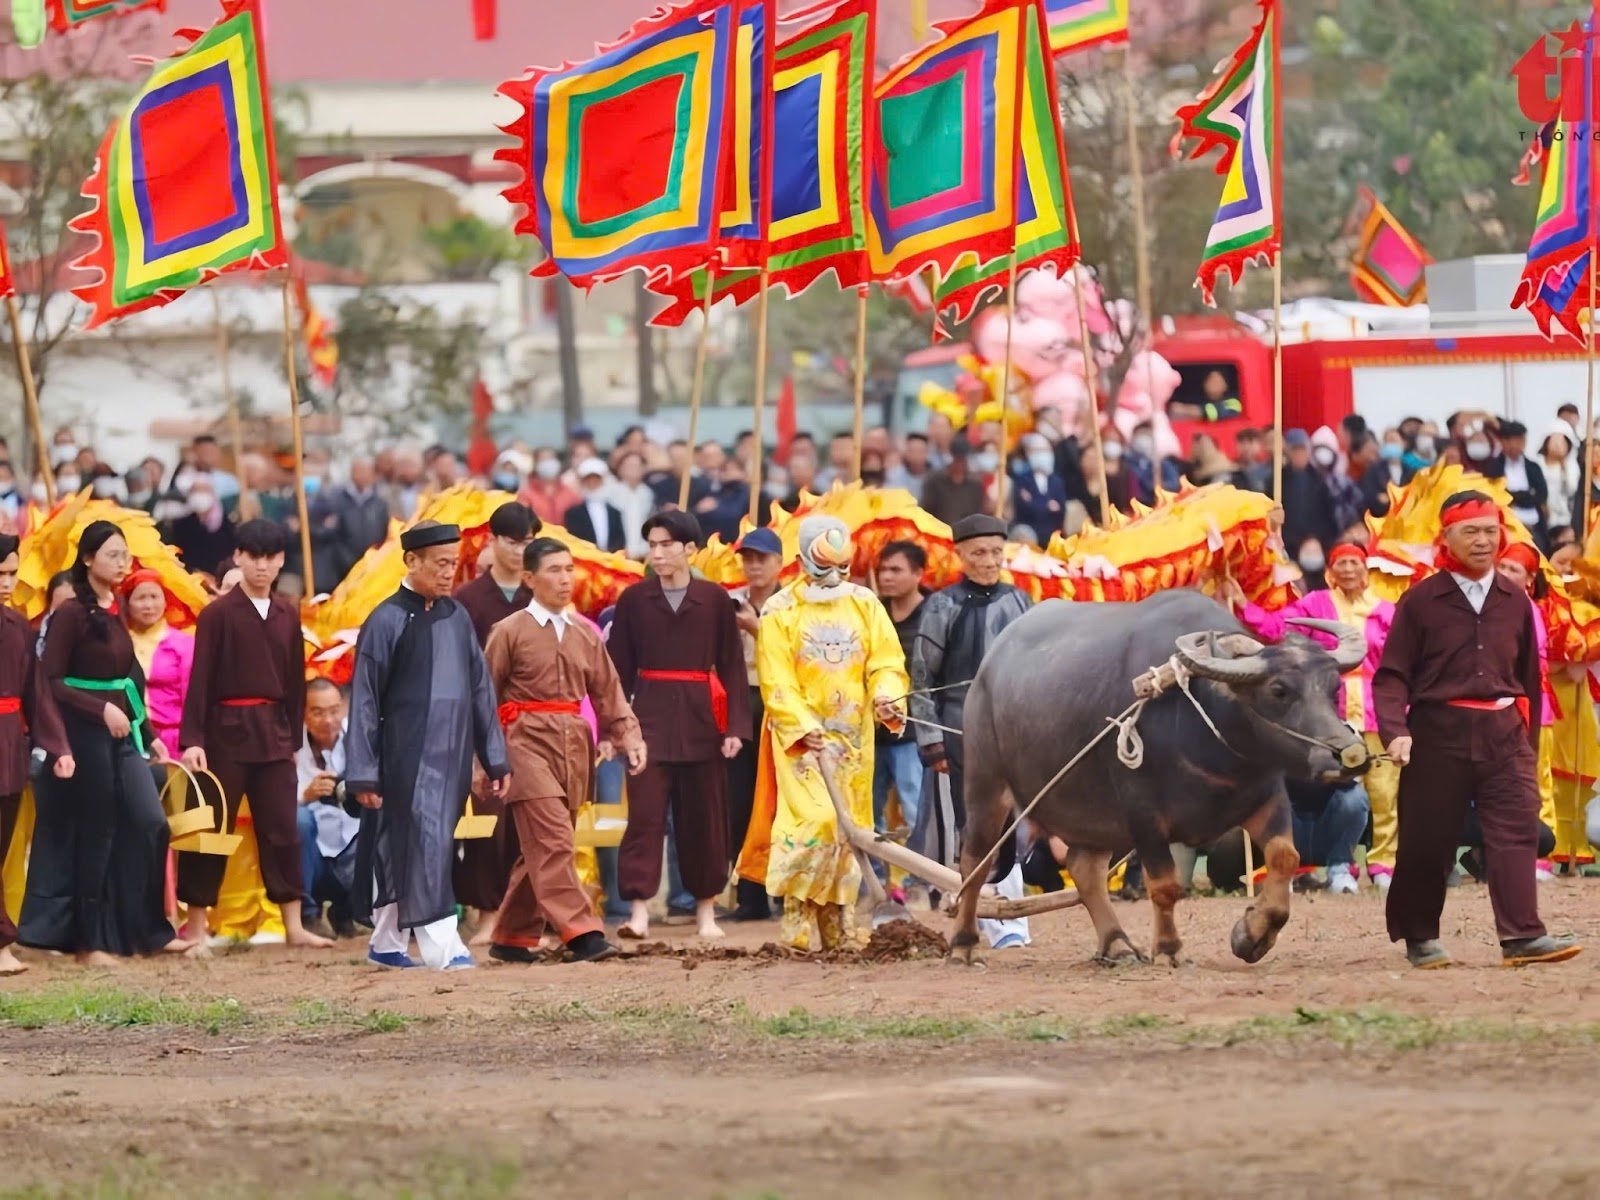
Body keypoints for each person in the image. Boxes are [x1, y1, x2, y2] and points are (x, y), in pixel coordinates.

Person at [1373, 491, 1582, 969]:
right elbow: (1392, 676)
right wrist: (1395, 730)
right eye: (1470, 532)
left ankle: (1522, 935)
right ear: (1446, 537)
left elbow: (1528, 678)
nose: (1483, 541)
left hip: (1504, 733)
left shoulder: (1516, 600)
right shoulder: (1420, 600)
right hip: (1437, 733)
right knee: (1428, 839)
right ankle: (1420, 936)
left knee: (1517, 830)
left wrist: (1527, 746)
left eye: (1491, 531)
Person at [735, 517, 909, 951]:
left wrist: (887, 697)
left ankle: (840, 923)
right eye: (823, 566)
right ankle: (796, 917)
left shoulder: (865, 604)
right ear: (801, 561)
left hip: (854, 740)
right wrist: (803, 727)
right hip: (802, 743)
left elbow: (886, 661)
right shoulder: (780, 610)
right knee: (814, 822)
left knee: (850, 831)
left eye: (841, 566)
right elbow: (776, 679)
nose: (833, 576)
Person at [347, 521, 511, 970]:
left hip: (452, 756)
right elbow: (364, 700)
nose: (447, 572)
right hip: (406, 755)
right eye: (439, 563)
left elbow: (480, 690)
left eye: (452, 564)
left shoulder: (457, 617)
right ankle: (445, 947)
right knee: (427, 844)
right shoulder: (385, 620)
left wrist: (494, 757)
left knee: (407, 844)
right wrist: (363, 772)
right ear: (411, 561)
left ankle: (386, 943)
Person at [19, 521, 185, 963]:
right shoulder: (70, 613)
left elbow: (127, 678)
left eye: (125, 555)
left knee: (151, 822)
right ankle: (88, 942)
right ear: (89, 559)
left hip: (123, 734)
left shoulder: (115, 608)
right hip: (82, 734)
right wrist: (100, 710)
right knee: (99, 830)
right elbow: (49, 681)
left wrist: (147, 733)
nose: (122, 562)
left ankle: (146, 930)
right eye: (112, 555)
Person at [483, 538, 645, 965]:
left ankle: (512, 935)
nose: (565, 578)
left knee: (544, 844)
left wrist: (629, 735)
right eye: (554, 570)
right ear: (529, 578)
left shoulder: (584, 633)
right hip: (523, 742)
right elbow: (483, 698)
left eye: (569, 569)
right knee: (553, 838)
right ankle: (583, 932)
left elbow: (608, 690)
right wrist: (484, 760)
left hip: (572, 746)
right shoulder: (508, 631)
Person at [176, 521, 331, 950]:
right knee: (210, 827)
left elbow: (295, 682)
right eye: (254, 557)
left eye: (270, 558)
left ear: (281, 561)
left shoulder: (287, 613)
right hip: (224, 732)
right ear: (239, 557)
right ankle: (197, 929)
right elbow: (200, 679)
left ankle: (294, 925)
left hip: (274, 734)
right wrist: (194, 740)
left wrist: (293, 739)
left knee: (282, 829)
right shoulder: (217, 614)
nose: (262, 566)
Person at [608, 511, 750, 941]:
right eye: (652, 545)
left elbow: (732, 666)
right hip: (648, 722)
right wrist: (615, 730)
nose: (657, 553)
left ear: (690, 549)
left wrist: (735, 728)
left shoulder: (714, 600)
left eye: (666, 544)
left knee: (705, 819)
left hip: (703, 721)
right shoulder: (634, 600)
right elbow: (617, 671)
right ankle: (638, 912)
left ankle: (706, 912)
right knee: (645, 817)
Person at [1228, 541, 1399, 891]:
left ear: (1366, 569)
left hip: (1376, 709)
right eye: (1341, 563)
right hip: (1326, 712)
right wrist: (1243, 605)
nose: (1348, 569)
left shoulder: (1387, 611)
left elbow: (1402, 661)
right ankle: (1338, 864)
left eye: (1354, 562)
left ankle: (1385, 865)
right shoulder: (1315, 605)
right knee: (1336, 788)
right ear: (1330, 571)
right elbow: (1277, 629)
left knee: (1384, 794)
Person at [909, 514, 1032, 876]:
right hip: (959, 724)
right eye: (979, 553)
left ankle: (1008, 889)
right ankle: (969, 887)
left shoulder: (1021, 601)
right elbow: (922, 676)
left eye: (997, 552)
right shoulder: (941, 606)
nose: (990, 561)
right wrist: (931, 740)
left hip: (1013, 725)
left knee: (1013, 810)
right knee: (970, 813)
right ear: (960, 555)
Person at [449, 501, 540, 942]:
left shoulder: (539, 595)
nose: (520, 551)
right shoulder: (466, 600)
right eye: (512, 541)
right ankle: (487, 915)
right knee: (489, 822)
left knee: (532, 822)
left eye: (528, 542)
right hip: (483, 721)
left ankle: (525, 917)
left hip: (534, 721)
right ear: (492, 541)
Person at [0, 534, 71, 975]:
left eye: (12, 573)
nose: (7, 582)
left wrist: (56, 745)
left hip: (8, 745)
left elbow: (37, 693)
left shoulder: (18, 626)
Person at [726, 527, 784, 922]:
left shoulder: (792, 604)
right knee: (740, 802)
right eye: (747, 558)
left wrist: (757, 628)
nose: (754, 566)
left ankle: (786, 891)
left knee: (782, 801)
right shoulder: (729, 601)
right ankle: (750, 896)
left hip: (780, 702)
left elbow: (798, 651)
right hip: (739, 704)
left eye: (761, 558)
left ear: (779, 562)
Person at [872, 540, 927, 892]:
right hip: (872, 731)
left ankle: (925, 879)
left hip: (915, 733)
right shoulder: (873, 613)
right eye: (883, 569)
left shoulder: (934, 614)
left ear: (918, 574)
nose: (886, 577)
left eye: (896, 569)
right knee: (867, 812)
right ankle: (874, 882)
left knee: (916, 808)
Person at [296, 678, 359, 939]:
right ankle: (308, 914)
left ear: (343, 708)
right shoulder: (289, 744)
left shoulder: (359, 736)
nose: (328, 720)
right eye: (318, 713)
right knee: (298, 820)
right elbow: (275, 798)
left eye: (334, 711)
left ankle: (347, 909)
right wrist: (306, 795)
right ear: (303, 713)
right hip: (313, 851)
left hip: (353, 845)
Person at [121, 568, 193, 760]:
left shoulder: (185, 644)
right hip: (128, 739)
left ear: (165, 601)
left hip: (173, 742)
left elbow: (193, 699)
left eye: (154, 597)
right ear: (127, 604)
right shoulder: (118, 643)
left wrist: (193, 743)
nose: (149, 605)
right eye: (141, 598)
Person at [1279, 429, 1339, 561]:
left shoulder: (1319, 479)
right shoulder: (1278, 480)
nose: (1299, 454)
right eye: (1295, 450)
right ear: (1287, 451)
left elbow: (1329, 515)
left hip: (1315, 546)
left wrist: (1318, 539)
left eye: (1303, 449)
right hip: (1287, 545)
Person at [1494, 422, 1548, 547]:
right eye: (1510, 440)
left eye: (1519, 440)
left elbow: (1542, 494)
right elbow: (1497, 493)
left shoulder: (1533, 467)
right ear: (1502, 441)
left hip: (1534, 523)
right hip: (1505, 524)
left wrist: (1517, 497)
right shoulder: (1494, 466)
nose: (1514, 445)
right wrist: (1524, 495)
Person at [563, 459, 627, 554]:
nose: (592, 483)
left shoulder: (615, 512)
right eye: (588, 480)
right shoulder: (573, 514)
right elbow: (574, 541)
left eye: (596, 479)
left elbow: (620, 540)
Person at [920, 440, 988, 527]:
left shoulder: (975, 485)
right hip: (939, 530)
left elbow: (979, 513)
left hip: (967, 532)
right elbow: (926, 510)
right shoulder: (935, 481)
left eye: (962, 459)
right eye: (957, 459)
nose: (959, 464)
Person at [1011, 434, 1067, 538]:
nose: (1044, 454)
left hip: (1054, 534)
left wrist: (1034, 501)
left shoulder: (1057, 481)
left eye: (1047, 450)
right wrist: (1047, 505)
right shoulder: (1022, 480)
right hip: (1030, 534)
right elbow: (1024, 509)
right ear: (1029, 453)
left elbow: (1061, 510)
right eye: (1039, 450)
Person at [607, 451, 657, 557]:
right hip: (617, 551)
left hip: (644, 552)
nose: (634, 469)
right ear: (620, 469)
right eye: (629, 466)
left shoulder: (648, 494)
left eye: (637, 466)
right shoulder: (611, 493)